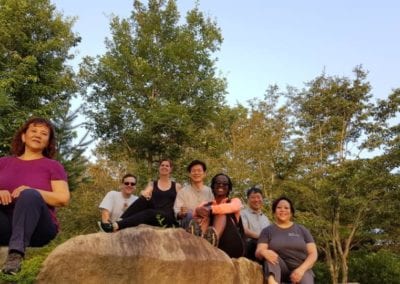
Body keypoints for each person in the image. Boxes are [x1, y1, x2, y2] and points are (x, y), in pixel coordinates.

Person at [0, 117, 70, 275]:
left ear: (48, 142)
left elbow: (63, 199)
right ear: (24, 136)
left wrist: (34, 190)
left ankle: (15, 255)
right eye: (34, 131)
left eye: (44, 133)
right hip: (6, 228)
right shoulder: (3, 163)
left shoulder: (53, 166)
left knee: (30, 194)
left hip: (39, 229)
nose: (38, 135)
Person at [99, 159, 181, 232]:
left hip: (167, 218)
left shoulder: (176, 186)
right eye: (162, 165)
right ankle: (121, 220)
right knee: (143, 199)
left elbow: (181, 203)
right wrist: (144, 193)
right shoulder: (152, 184)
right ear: (159, 168)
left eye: (167, 166)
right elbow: (146, 192)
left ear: (171, 169)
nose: (164, 167)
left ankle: (117, 225)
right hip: (154, 217)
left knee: (148, 212)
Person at [255, 196, 318, 284]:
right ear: (274, 211)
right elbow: (259, 251)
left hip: (301, 268)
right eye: (279, 207)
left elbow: (313, 253)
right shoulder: (267, 231)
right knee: (270, 255)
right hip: (279, 268)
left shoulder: (302, 230)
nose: (282, 210)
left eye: (286, 208)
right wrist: (263, 252)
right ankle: (272, 282)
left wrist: (301, 269)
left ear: (291, 212)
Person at [191, 173, 246, 258]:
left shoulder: (235, 201)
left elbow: (234, 207)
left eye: (225, 183)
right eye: (218, 183)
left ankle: (210, 244)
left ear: (229, 188)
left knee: (221, 212)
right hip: (208, 240)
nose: (221, 185)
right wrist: (198, 210)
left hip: (231, 244)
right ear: (213, 186)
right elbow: (194, 214)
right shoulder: (206, 203)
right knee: (201, 215)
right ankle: (201, 242)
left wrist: (211, 209)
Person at [173, 160, 214, 229]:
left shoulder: (210, 191)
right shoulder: (183, 192)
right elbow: (177, 211)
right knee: (188, 214)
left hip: (206, 222)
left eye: (199, 170)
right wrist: (181, 213)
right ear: (189, 174)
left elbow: (214, 209)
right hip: (188, 223)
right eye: (193, 171)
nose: (196, 173)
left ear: (204, 174)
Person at [241, 187, 271, 261]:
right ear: (248, 199)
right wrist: (262, 238)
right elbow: (245, 230)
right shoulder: (242, 213)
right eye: (253, 197)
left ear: (262, 199)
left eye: (258, 197)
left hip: (263, 246)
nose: (256, 200)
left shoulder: (265, 218)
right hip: (249, 245)